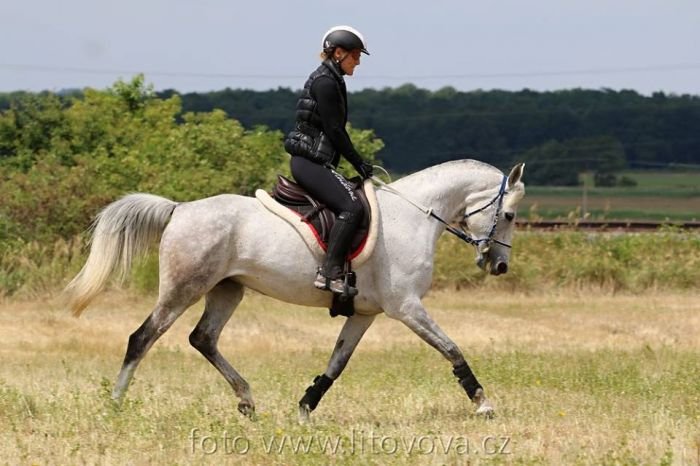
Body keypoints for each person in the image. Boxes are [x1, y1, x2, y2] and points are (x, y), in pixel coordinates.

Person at [284, 25, 374, 296]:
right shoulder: (325, 82)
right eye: (355, 55)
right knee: (353, 207)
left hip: (315, 162)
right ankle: (329, 272)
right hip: (308, 163)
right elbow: (335, 131)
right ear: (338, 53)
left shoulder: (333, 79)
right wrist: (359, 163)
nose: (358, 61)